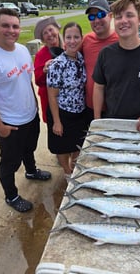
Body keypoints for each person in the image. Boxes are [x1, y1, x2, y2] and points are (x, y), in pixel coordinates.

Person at [0, 8, 51, 213]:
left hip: (30, 116)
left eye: (15, 26)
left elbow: (27, 82)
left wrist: (34, 107)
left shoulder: (23, 51)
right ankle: (11, 195)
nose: (11, 30)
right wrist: (0, 127)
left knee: (29, 148)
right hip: (10, 122)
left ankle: (31, 171)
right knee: (9, 162)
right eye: (5, 25)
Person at [46, 22, 87, 177]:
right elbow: (52, 95)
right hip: (62, 112)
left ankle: (75, 171)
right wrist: (57, 121)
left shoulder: (81, 58)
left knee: (77, 145)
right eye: (68, 37)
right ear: (63, 39)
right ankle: (67, 172)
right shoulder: (57, 64)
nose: (72, 41)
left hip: (79, 112)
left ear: (81, 38)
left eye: (76, 37)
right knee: (62, 148)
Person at [34, 16, 63, 123]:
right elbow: (38, 81)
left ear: (57, 29)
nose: (49, 34)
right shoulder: (41, 55)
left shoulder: (69, 46)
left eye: (51, 30)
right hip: (49, 102)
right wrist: (44, 71)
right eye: (45, 33)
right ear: (42, 39)